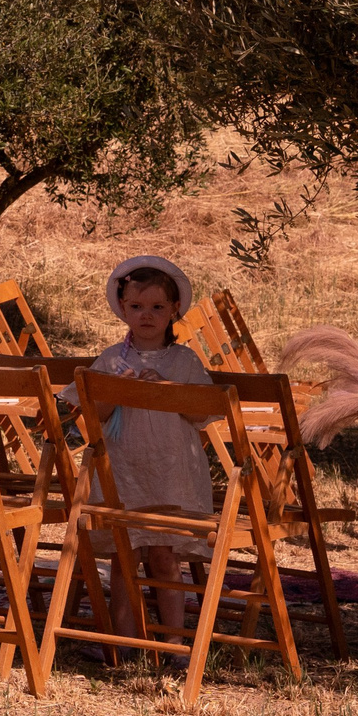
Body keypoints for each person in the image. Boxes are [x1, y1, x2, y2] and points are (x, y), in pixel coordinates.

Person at [81, 256, 214, 649]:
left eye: (157, 307)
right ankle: (124, 641)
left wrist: (168, 391)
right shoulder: (110, 359)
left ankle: (173, 641)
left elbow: (203, 410)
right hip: (125, 471)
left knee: (164, 555)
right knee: (126, 555)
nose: (147, 316)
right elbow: (92, 416)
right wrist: (115, 389)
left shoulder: (183, 360)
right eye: (137, 307)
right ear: (123, 309)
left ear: (175, 310)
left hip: (171, 473)